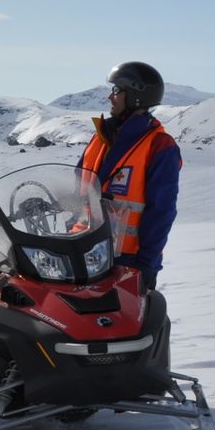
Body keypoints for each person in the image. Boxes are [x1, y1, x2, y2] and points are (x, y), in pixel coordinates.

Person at [79, 61, 181, 292]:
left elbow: (161, 212)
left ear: (135, 96)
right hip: (81, 256)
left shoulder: (159, 146)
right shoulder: (100, 138)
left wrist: (146, 265)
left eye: (116, 90)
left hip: (127, 264)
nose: (110, 97)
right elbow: (76, 190)